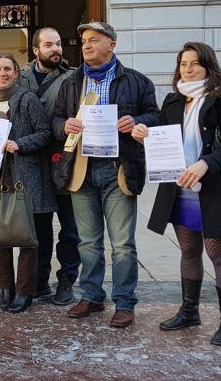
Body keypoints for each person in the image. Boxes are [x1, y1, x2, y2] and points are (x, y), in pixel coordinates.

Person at [53, 22, 160, 328]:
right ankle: (91, 295)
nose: (86, 45)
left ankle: (125, 303)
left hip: (118, 170)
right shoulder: (72, 83)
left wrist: (136, 120)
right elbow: (56, 120)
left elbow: (155, 115)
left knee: (123, 243)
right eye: (84, 41)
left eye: (93, 40)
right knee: (87, 242)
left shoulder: (137, 82)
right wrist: (64, 126)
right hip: (81, 169)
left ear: (112, 45)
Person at [132, 42, 221, 346]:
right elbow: (159, 130)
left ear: (208, 67)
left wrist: (206, 163)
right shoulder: (173, 100)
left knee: (216, 253)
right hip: (179, 188)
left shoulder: (218, 100)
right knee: (189, 251)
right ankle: (189, 311)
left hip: (212, 189)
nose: (188, 69)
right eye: (183, 63)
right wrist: (143, 131)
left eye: (195, 63)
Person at [0, 53, 55, 313]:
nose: (3, 73)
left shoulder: (26, 99)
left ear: (16, 72)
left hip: (23, 175)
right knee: (0, 236)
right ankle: (5, 287)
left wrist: (19, 144)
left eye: (8, 69)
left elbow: (45, 133)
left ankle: (24, 291)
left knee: (25, 237)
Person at [17, 27, 80, 305]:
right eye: (48, 45)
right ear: (36, 51)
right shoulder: (19, 76)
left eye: (58, 44)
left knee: (70, 227)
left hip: (63, 161)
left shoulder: (73, 77)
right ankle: (39, 281)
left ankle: (66, 279)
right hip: (30, 163)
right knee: (38, 226)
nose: (55, 49)